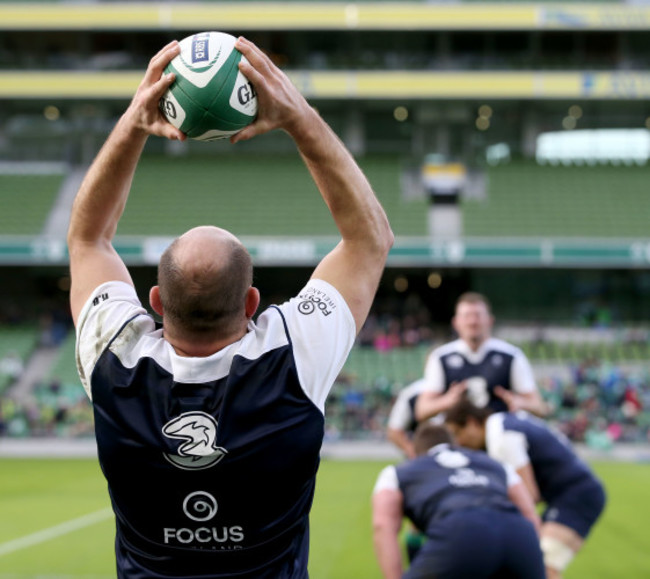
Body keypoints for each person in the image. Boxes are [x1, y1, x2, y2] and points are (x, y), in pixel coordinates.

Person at [67, 38, 393, 579]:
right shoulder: (292, 359)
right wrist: (298, 115)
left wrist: (132, 123)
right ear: (252, 302)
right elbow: (368, 240)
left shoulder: (113, 360)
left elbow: (87, 241)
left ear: (154, 303)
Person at [444, 399, 606, 579]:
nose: (457, 443)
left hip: (576, 495)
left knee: (545, 567)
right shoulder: (503, 422)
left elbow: (529, 495)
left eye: (457, 434)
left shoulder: (501, 438)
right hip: (569, 494)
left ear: (472, 423)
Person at [372, 423, 544, 579]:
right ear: (456, 444)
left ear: (415, 454)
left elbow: (383, 525)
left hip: (459, 530)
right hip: (519, 533)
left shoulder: (398, 473)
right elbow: (529, 514)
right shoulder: (496, 465)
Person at [415, 292, 547, 423]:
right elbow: (422, 410)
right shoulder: (440, 357)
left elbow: (539, 407)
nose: (472, 322)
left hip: (500, 437)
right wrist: (447, 401)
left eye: (478, 315)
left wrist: (519, 402)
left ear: (490, 320)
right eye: (467, 316)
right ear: (456, 322)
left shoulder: (511, 355)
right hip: (456, 438)